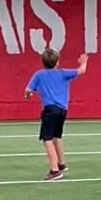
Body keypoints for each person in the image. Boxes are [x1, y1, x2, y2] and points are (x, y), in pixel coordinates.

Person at [24, 46, 89, 180]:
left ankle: (54, 170)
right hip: (62, 110)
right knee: (56, 137)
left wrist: (28, 95)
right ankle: (61, 163)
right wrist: (83, 62)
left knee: (47, 139)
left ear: (42, 62)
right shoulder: (62, 73)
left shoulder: (39, 75)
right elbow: (82, 70)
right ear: (57, 61)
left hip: (50, 110)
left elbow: (27, 90)